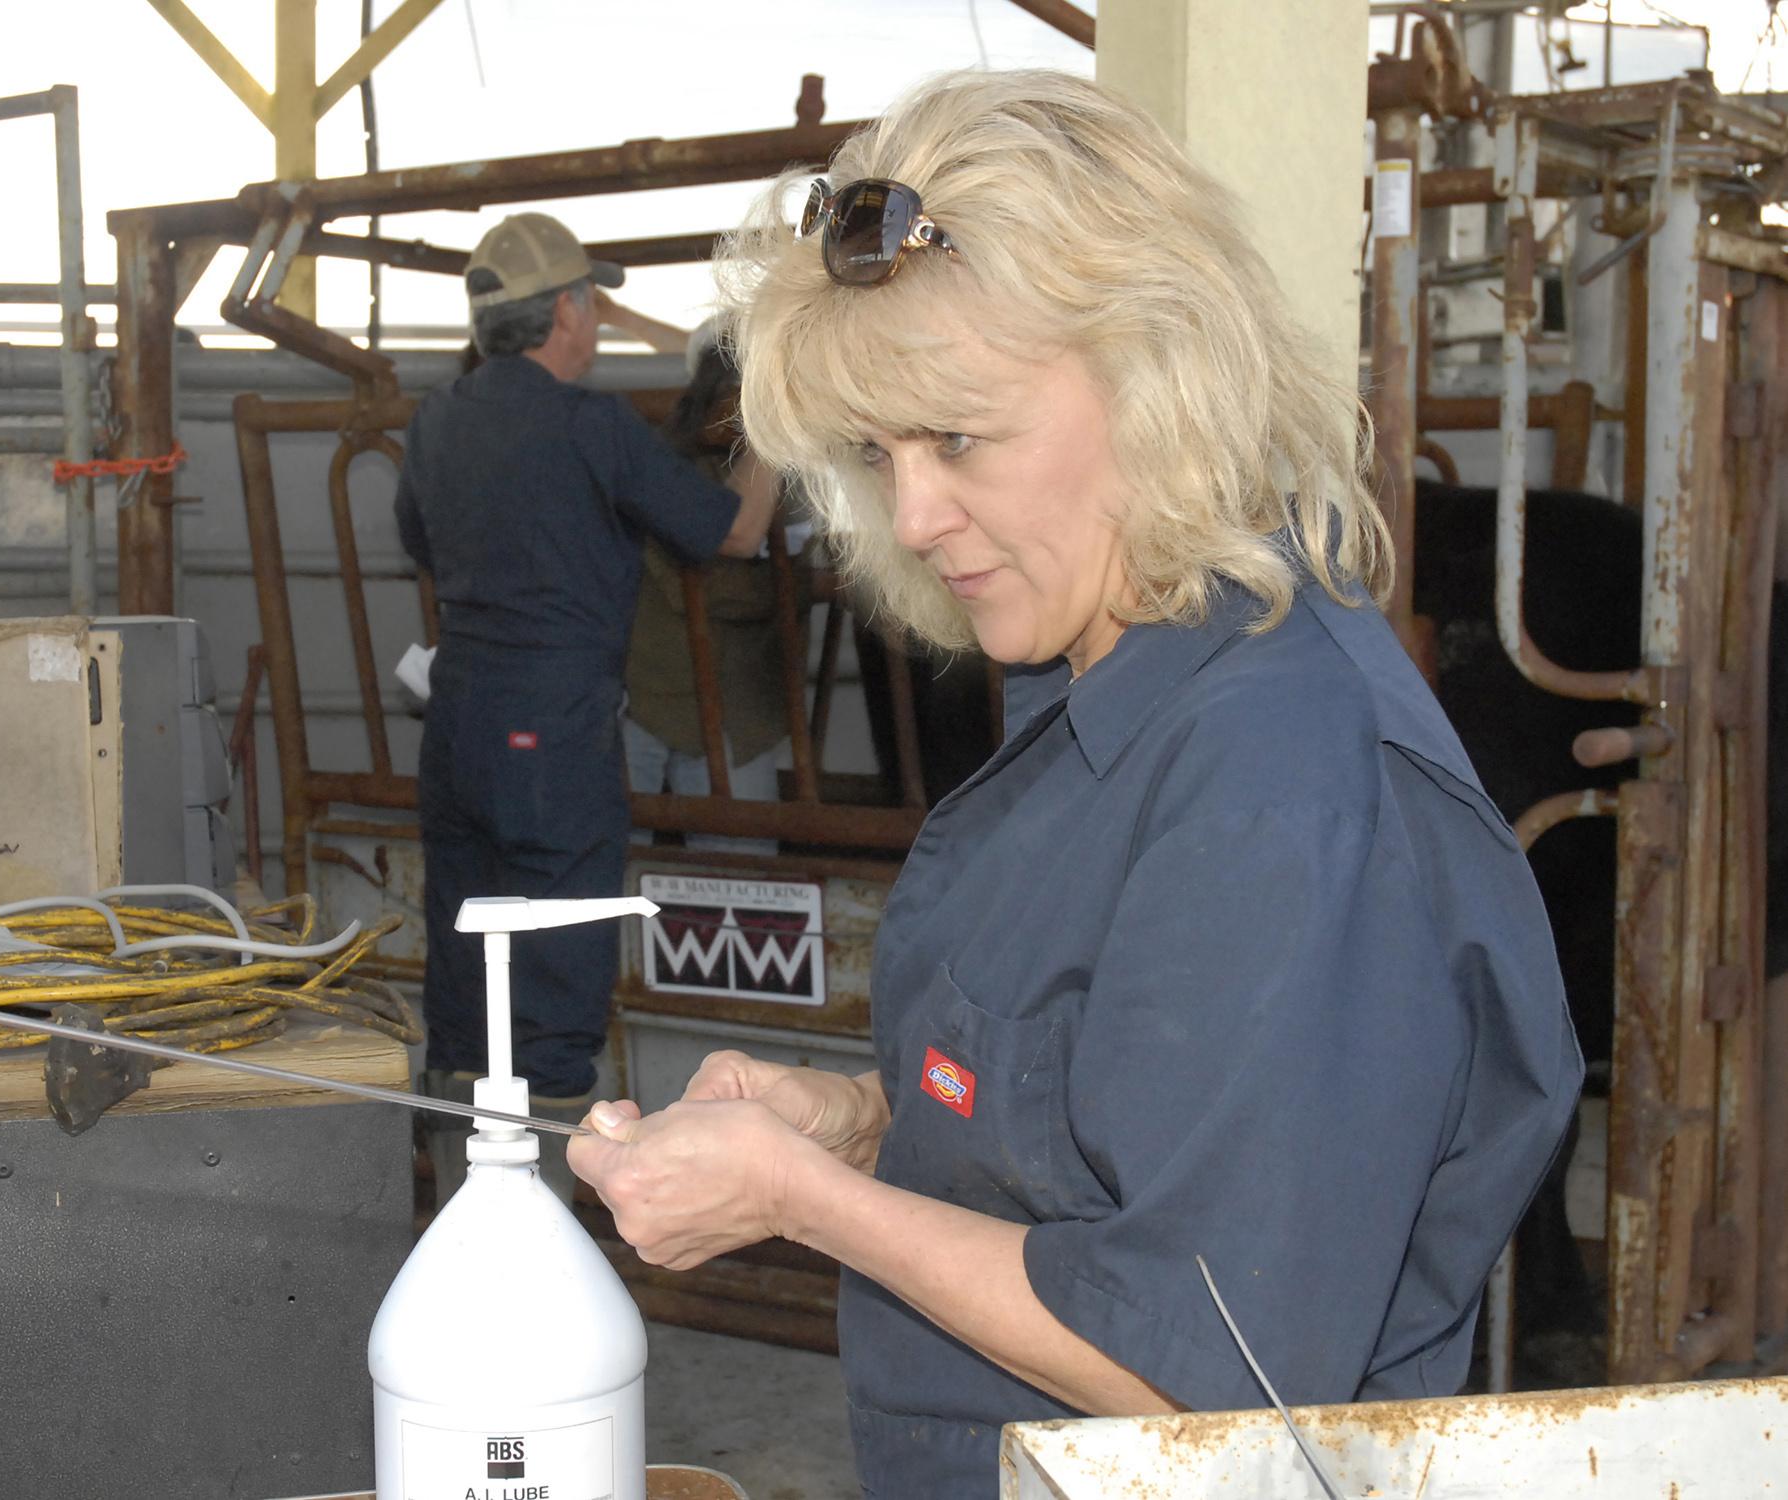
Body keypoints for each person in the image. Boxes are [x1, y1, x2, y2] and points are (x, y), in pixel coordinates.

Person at [567, 69, 1582, 1494]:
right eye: (880, 454)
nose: (914, 516)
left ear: (1155, 378)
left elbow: (1202, 1365)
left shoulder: (1278, 776)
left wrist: (806, 1201)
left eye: (960, 439)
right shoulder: (1103, 687)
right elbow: (1107, 1122)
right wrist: (859, 1124)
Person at [395, 212, 774, 1198]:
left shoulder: (435, 419)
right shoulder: (589, 424)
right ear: (565, 311)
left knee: (463, 966)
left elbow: (423, 544)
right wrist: (781, 419)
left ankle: (458, 1209)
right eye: (591, 302)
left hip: (459, 723)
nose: (596, 321)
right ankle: (542, 1227)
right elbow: (732, 532)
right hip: (551, 737)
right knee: (558, 980)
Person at [623, 317, 811, 855]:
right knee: (616, 869)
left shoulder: (787, 468)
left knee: (737, 877)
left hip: (729, 709)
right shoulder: (675, 463)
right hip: (658, 698)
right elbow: (739, 538)